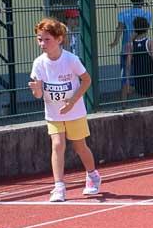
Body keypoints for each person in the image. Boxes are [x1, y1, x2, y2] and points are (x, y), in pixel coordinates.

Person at [29, 18, 101, 203]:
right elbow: (38, 95)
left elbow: (86, 80)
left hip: (74, 112)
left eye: (47, 40)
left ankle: (92, 175)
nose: (42, 44)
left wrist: (72, 101)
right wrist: (37, 89)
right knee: (57, 145)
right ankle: (59, 186)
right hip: (53, 113)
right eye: (39, 39)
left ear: (59, 39)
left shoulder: (71, 60)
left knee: (79, 146)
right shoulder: (39, 63)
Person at [108, 0, 152, 101]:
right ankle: (144, 102)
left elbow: (120, 28)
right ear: (142, 0)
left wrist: (115, 41)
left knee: (125, 77)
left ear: (131, 0)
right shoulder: (147, 14)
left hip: (126, 48)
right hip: (141, 49)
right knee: (142, 76)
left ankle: (124, 104)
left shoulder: (123, 14)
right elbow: (145, 31)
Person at [125, 16, 153, 104]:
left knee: (143, 104)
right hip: (151, 76)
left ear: (135, 29)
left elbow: (128, 64)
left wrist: (127, 80)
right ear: (147, 27)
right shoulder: (150, 43)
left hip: (139, 78)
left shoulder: (130, 45)